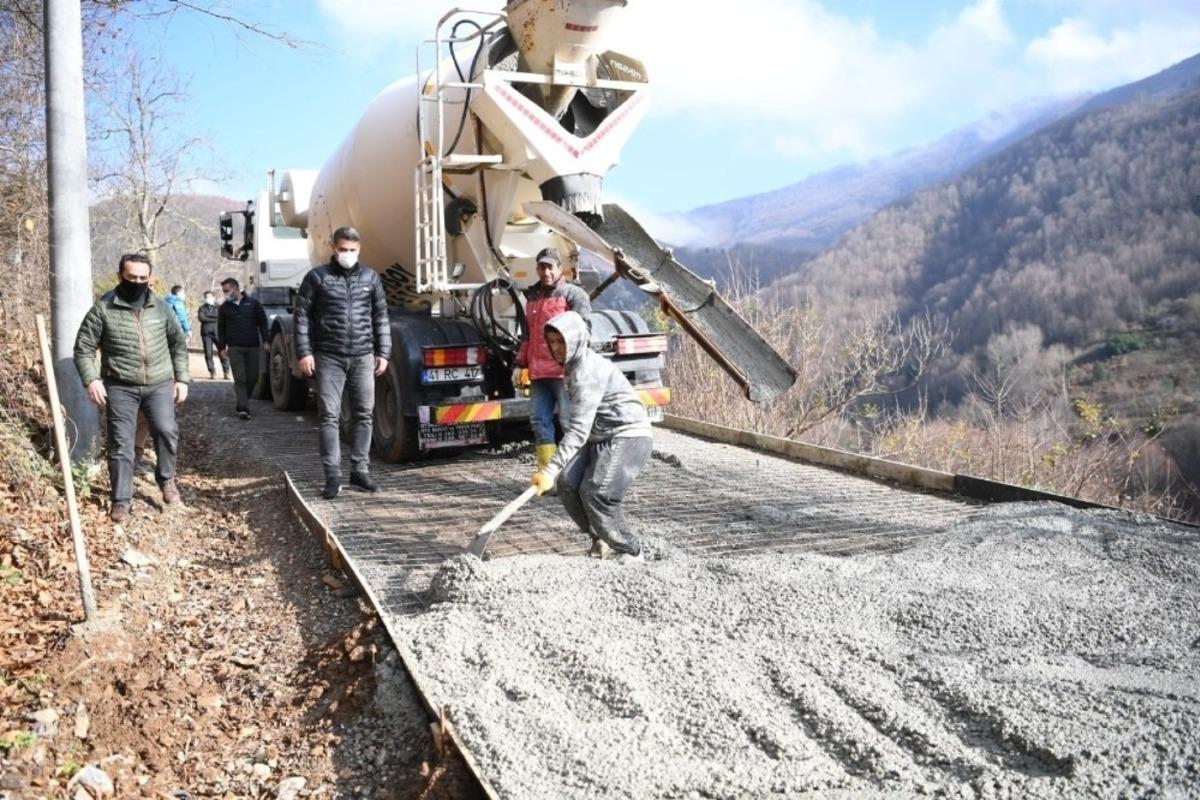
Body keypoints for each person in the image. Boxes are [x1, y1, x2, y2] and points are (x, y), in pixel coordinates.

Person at [73, 253, 190, 523]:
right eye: (131, 277)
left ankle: (167, 480)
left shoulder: (162, 308)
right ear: (120, 276)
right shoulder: (103, 309)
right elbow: (83, 349)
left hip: (159, 383)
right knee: (121, 443)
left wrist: (182, 379)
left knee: (166, 430)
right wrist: (92, 380)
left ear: (150, 278)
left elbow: (177, 345)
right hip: (120, 385)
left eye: (142, 278)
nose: (137, 282)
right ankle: (121, 501)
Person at [529, 310, 652, 563]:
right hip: (600, 435)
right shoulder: (572, 366)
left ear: (575, 340)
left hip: (627, 434)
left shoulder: (586, 371)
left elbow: (578, 429)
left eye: (561, 341)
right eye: (552, 342)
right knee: (567, 483)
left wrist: (549, 469)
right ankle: (601, 538)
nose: (556, 348)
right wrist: (556, 472)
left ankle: (631, 550)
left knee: (597, 491)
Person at [294, 226, 391, 500]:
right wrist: (304, 352)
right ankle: (333, 476)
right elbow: (302, 317)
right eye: (342, 249)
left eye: (352, 250)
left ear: (359, 249)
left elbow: (380, 316)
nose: (347, 254)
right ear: (333, 248)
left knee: (364, 414)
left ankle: (360, 471)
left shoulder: (371, 277)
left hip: (363, 356)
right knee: (329, 416)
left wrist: (384, 352)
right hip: (329, 357)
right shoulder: (317, 278)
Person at [511, 247, 591, 471]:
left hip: (563, 374)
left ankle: (576, 474)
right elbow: (528, 337)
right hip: (539, 375)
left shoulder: (573, 295)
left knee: (569, 424)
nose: (545, 272)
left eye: (550, 267)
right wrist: (519, 365)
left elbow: (584, 334)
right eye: (541, 267)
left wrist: (575, 367)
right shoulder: (532, 298)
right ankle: (549, 475)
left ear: (559, 269)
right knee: (539, 422)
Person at [216, 277, 269, 420]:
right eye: (223, 291)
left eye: (227, 290)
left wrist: (266, 340)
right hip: (235, 348)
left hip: (253, 346)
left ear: (235, 289)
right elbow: (221, 329)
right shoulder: (224, 308)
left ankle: (241, 402)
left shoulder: (253, 304)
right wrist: (221, 348)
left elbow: (263, 322)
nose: (225, 294)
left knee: (253, 378)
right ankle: (244, 409)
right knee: (240, 378)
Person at [197, 290, 230, 380]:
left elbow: (222, 318)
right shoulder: (202, 308)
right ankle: (212, 371)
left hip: (218, 333)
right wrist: (215, 318)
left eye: (209, 297)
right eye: (206, 297)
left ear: (214, 297)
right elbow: (202, 318)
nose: (208, 299)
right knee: (208, 354)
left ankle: (226, 371)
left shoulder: (219, 307)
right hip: (206, 334)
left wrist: (208, 316)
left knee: (222, 352)